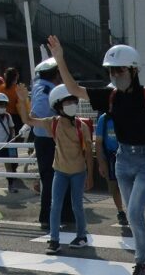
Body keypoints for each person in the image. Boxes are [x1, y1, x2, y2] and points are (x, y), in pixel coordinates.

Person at [47, 35, 145, 275]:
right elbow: (75, 90)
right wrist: (60, 59)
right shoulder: (111, 96)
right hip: (123, 159)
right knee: (133, 213)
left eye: (120, 69)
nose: (115, 74)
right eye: (111, 70)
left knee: (134, 212)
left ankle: (141, 262)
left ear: (134, 70)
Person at [18, 82, 93, 254]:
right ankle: (54, 240)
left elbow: (89, 153)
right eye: (68, 102)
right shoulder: (52, 123)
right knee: (55, 205)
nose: (72, 105)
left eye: (73, 101)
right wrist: (23, 101)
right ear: (58, 106)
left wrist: (90, 176)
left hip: (78, 172)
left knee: (77, 206)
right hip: (60, 171)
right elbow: (28, 120)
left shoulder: (81, 126)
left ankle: (81, 236)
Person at [30, 57, 74, 229]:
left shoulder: (42, 86)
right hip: (48, 139)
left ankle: (64, 214)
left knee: (61, 176)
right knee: (51, 178)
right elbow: (38, 112)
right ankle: (49, 216)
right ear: (56, 74)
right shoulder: (46, 89)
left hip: (49, 138)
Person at [95, 107, 128, 226]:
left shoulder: (126, 115)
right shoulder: (103, 119)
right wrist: (101, 163)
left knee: (129, 186)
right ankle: (120, 211)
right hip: (110, 158)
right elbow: (98, 143)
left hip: (126, 156)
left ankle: (132, 211)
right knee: (114, 186)